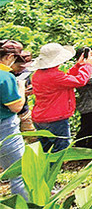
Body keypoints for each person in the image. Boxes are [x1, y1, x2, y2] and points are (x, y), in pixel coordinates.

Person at [31, 43, 92, 153]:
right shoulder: (55, 76)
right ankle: (56, 169)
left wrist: (78, 66)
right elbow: (80, 81)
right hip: (55, 119)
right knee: (60, 149)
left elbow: (66, 79)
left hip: (40, 117)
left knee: (44, 149)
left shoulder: (38, 74)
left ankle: (44, 169)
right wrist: (87, 65)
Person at [0, 44, 28, 200]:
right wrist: (21, 87)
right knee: (19, 171)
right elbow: (16, 106)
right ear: (9, 57)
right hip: (4, 127)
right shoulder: (5, 76)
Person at [9, 50, 34, 135]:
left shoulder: (25, 72)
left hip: (24, 111)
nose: (22, 69)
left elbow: (28, 85)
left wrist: (29, 89)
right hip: (8, 115)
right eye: (20, 67)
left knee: (32, 138)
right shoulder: (5, 75)